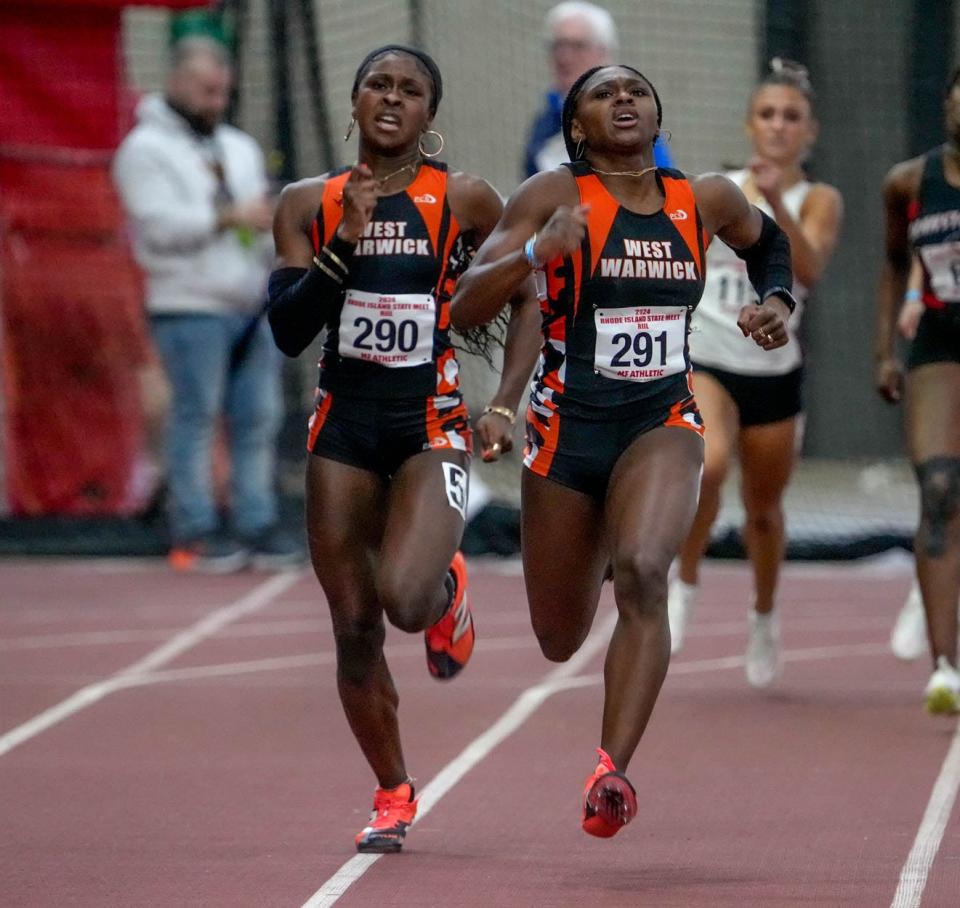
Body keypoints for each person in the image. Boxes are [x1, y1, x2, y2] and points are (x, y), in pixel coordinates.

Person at [452, 63, 795, 837]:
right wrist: (536, 252)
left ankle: (612, 772)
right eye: (603, 94)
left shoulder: (701, 198)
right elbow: (465, 304)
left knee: (644, 570)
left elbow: (770, 247)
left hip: (661, 419)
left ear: (657, 110)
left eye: (635, 89)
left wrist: (777, 301)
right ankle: (597, 531)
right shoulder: (551, 195)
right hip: (567, 435)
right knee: (559, 637)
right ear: (577, 128)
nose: (624, 100)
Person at [267, 45, 539, 853]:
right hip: (342, 430)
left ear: (431, 115)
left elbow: (528, 294)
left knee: (407, 602)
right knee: (354, 626)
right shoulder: (305, 203)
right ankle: (392, 791)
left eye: (410, 90)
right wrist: (341, 244)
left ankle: (446, 585)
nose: (392, 98)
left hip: (431, 423)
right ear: (354, 104)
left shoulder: (463, 197)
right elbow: (288, 332)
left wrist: (502, 403)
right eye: (378, 85)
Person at [666, 60, 843, 688]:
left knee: (762, 509)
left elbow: (811, 267)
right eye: (767, 114)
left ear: (809, 131)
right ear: (749, 124)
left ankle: (764, 616)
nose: (778, 126)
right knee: (708, 465)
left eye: (791, 117)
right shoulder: (720, 190)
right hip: (712, 352)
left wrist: (773, 200)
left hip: (774, 368)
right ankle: (682, 582)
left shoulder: (818, 199)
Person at [113, 37, 302, 572]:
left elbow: (259, 218)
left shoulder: (238, 146)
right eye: (205, 90)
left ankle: (255, 521)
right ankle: (195, 528)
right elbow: (154, 229)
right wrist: (226, 219)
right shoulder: (144, 149)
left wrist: (270, 231)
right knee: (195, 418)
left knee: (257, 418)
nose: (216, 100)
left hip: (249, 303)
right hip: (188, 304)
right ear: (176, 81)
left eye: (223, 91)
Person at [875, 68, 960, 713]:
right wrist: (885, 350)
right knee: (937, 489)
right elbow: (894, 260)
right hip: (938, 341)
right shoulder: (908, 182)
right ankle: (945, 667)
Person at [524, 2, 674, 177]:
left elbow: (659, 183)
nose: (564, 57)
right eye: (558, 46)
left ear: (604, 52)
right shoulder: (546, 122)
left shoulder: (628, 115)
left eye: (578, 46)